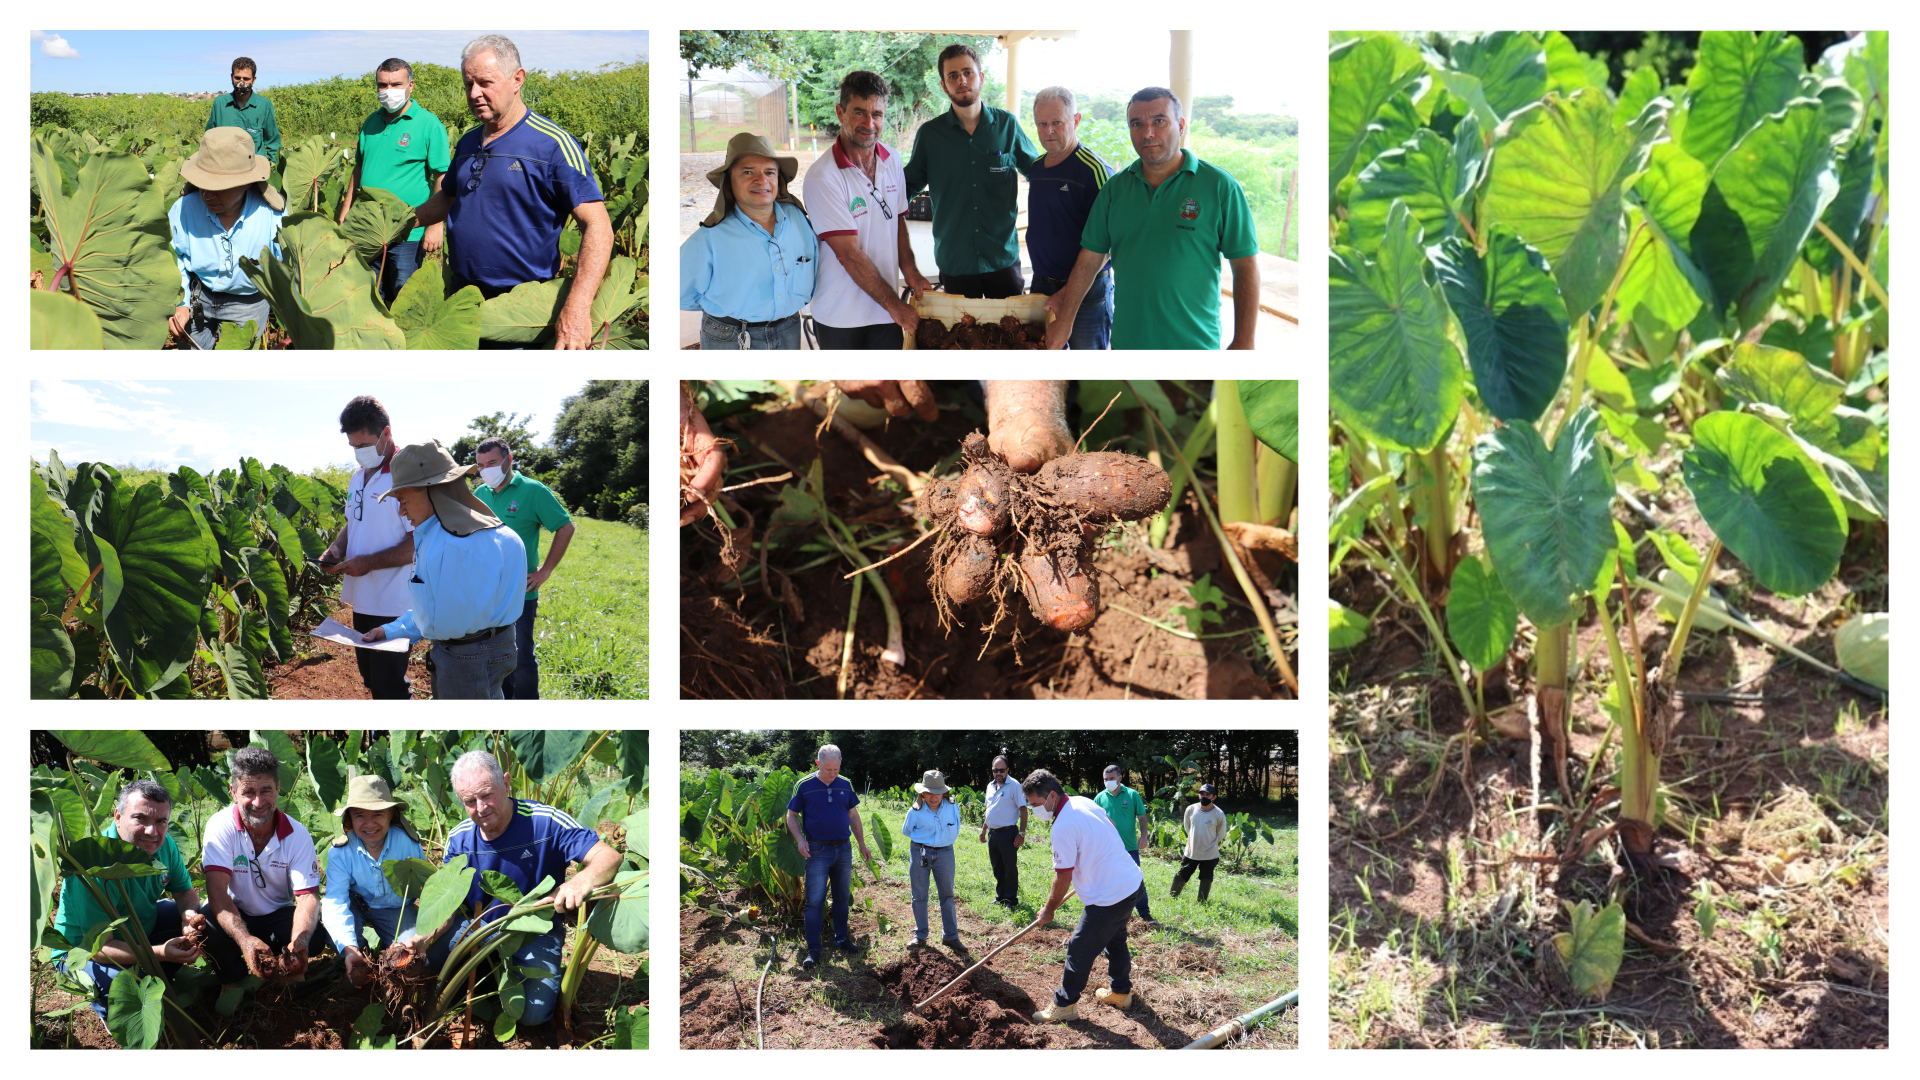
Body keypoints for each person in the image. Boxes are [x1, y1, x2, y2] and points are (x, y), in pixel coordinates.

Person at [408, 35, 611, 349]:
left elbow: (597, 225)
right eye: (468, 84)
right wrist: (401, 223)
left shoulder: (552, 144)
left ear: (517, 79)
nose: (475, 94)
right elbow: (448, 198)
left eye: (485, 82)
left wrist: (577, 307)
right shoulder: (467, 142)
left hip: (522, 308)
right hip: (463, 298)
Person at [401, 752, 623, 1027]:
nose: (480, 808)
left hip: (534, 930)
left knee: (533, 1016)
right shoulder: (459, 839)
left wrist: (578, 881)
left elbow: (608, 857)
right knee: (433, 958)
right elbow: (449, 904)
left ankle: (504, 982)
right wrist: (422, 938)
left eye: (487, 795)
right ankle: (488, 978)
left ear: (506, 784)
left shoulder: (545, 821)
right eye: (470, 801)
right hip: (477, 927)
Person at [1045, 88, 1261, 351]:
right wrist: (1066, 321)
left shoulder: (1219, 186)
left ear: (1180, 126)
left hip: (1195, 348)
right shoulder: (1115, 190)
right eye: (1137, 124)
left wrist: (1244, 341)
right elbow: (1090, 259)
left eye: (1159, 121)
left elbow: (1245, 266)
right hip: (1128, 346)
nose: (1147, 133)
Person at [361, 440, 527, 699]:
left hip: (465, 659)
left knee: (460, 736)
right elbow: (447, 610)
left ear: (432, 491)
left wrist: (395, 633)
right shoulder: (504, 535)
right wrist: (392, 629)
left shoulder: (447, 548)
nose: (402, 511)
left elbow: (440, 621)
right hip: (501, 646)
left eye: (404, 500)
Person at [53, 781, 208, 1024]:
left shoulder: (163, 844)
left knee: (204, 919)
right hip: (83, 953)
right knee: (126, 988)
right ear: (118, 816)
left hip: (138, 932)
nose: (152, 832)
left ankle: (158, 975)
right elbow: (100, 948)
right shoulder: (92, 865)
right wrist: (160, 953)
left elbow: (185, 891)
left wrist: (188, 917)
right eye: (140, 819)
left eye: (161, 822)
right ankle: (109, 1010)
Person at [800, 70, 931, 349]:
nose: (869, 123)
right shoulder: (823, 176)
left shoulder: (892, 159)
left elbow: (896, 220)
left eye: (877, 114)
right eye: (859, 112)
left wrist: (911, 270)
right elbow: (848, 254)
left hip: (885, 312)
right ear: (840, 112)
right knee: (852, 391)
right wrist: (895, 305)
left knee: (891, 388)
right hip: (841, 316)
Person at [902, 44, 1040, 299]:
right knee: (964, 336)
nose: (962, 80)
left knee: (1012, 334)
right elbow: (904, 189)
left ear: (981, 78)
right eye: (952, 76)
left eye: (968, 72)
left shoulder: (1007, 125)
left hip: (1003, 258)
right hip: (956, 263)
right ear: (944, 85)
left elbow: (1041, 176)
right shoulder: (930, 136)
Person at [200, 747, 331, 992]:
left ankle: (286, 968)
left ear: (278, 789)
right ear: (233, 792)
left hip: (276, 912)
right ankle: (233, 978)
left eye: (266, 791)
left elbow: (306, 897)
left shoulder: (297, 834)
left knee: (314, 938)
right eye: (248, 792)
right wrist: (245, 939)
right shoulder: (220, 826)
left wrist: (298, 941)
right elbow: (217, 893)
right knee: (206, 928)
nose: (258, 802)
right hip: (234, 910)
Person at [1023, 768, 1145, 1022]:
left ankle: (1065, 1005)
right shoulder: (1083, 802)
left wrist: (1049, 910)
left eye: (1035, 804)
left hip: (1109, 897)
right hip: (1131, 884)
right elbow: (1110, 827)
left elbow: (1063, 877)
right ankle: (1121, 993)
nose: (1035, 810)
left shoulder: (1063, 825)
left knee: (1078, 948)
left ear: (1052, 796)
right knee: (1116, 939)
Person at [319, 395, 418, 699]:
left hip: (395, 602)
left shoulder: (408, 475)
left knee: (390, 683)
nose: (358, 453)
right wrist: (335, 551)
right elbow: (354, 522)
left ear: (386, 434)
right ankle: (382, 739)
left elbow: (419, 542)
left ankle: (400, 743)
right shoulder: (357, 477)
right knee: (371, 679)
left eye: (363, 445)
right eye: (353, 447)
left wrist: (368, 563)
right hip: (363, 600)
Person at [682, 132, 817, 349]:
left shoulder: (798, 220)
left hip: (788, 329)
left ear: (777, 180)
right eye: (748, 172)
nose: (761, 180)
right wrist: (726, 307)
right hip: (730, 336)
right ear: (729, 183)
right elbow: (681, 293)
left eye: (769, 172)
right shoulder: (710, 238)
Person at [471, 435, 575, 699]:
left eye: (492, 462)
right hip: (485, 591)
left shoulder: (533, 491)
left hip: (520, 590)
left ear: (509, 460)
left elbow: (566, 526)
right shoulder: (479, 494)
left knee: (522, 656)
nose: (486, 470)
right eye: (481, 465)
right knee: (494, 654)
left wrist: (545, 571)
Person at [339, 57, 450, 304]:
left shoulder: (428, 124)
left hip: (407, 230)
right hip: (367, 228)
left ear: (410, 86)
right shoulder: (371, 122)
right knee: (367, 296)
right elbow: (358, 167)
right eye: (382, 85)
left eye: (396, 84)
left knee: (403, 298)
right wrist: (346, 209)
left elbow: (442, 175)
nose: (389, 91)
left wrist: (435, 224)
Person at [165, 127, 284, 350]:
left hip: (249, 301)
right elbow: (173, 256)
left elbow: (287, 270)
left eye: (219, 188)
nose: (207, 195)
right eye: (203, 185)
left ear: (247, 182)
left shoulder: (272, 216)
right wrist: (180, 302)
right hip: (198, 295)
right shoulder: (184, 209)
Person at [1026, 87, 1115, 349]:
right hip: (1042, 284)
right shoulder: (1037, 168)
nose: (1048, 131)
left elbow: (1106, 248)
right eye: (1042, 124)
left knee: (1086, 374)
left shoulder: (1094, 171)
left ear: (1075, 120)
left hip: (1087, 294)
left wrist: (1067, 294)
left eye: (1057, 122)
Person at [322, 775, 427, 988]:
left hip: (395, 908)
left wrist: (415, 940)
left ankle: (387, 962)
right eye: (360, 816)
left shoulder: (407, 843)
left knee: (415, 959)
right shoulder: (340, 852)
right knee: (336, 937)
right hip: (357, 905)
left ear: (390, 814)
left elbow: (427, 888)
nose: (370, 824)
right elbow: (335, 903)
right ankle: (362, 960)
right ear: (350, 820)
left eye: (378, 814)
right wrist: (350, 948)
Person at [785, 744, 873, 969]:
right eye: (828, 770)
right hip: (816, 851)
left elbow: (853, 815)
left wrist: (862, 843)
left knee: (842, 897)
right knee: (815, 901)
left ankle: (841, 939)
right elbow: (792, 815)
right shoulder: (804, 785)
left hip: (843, 849)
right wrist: (800, 840)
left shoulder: (845, 784)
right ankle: (813, 949)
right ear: (818, 764)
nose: (833, 774)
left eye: (836, 769)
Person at [902, 769, 965, 950]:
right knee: (919, 895)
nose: (933, 797)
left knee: (947, 896)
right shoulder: (915, 811)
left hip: (945, 853)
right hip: (920, 851)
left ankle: (951, 937)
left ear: (944, 792)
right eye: (929, 792)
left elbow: (957, 826)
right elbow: (907, 831)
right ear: (923, 792)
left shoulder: (953, 806)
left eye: (937, 792)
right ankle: (920, 935)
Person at [1095, 764, 1156, 925]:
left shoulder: (1131, 794)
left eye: (1112, 779)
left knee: (1136, 881)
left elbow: (1142, 817)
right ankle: (1113, 914)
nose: (1108, 782)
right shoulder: (1099, 798)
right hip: (1107, 849)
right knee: (1108, 881)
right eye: (1106, 779)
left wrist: (1144, 837)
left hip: (1129, 847)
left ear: (1120, 778)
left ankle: (1145, 914)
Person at [205, 57, 281, 166]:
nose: (241, 83)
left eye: (246, 79)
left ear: (253, 80)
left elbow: (273, 142)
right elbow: (209, 138)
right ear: (232, 77)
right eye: (237, 78)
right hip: (224, 168)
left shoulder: (264, 105)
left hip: (255, 170)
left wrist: (272, 169)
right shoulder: (220, 104)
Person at [979, 754, 1029, 909]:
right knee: (997, 867)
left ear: (1007, 769)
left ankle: (1011, 900)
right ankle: (1000, 897)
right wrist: (983, 830)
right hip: (993, 834)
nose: (998, 773)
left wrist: (1021, 833)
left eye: (1001, 770)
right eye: (995, 770)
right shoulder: (989, 786)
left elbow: (1023, 809)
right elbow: (990, 810)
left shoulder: (1014, 785)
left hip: (1008, 833)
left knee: (1010, 868)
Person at [1170, 783, 1227, 904]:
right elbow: (1187, 828)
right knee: (1182, 874)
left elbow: (1221, 834)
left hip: (1210, 853)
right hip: (1191, 851)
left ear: (1214, 797)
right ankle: (1172, 898)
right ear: (1198, 795)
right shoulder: (1191, 809)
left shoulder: (1218, 814)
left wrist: (1208, 844)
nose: (1204, 797)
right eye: (1202, 794)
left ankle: (1202, 902)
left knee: (1206, 878)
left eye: (1208, 795)